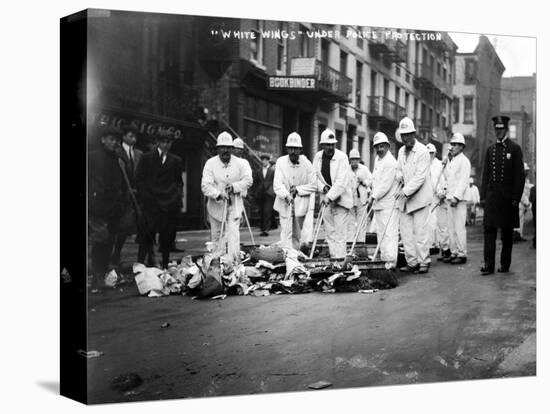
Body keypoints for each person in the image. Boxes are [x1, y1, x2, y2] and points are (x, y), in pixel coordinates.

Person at [480, 116, 525, 275]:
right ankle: (488, 264)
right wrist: (483, 197)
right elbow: (485, 175)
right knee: (489, 230)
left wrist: (515, 198)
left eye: (501, 129)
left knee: (506, 234)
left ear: (506, 129)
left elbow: (519, 176)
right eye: (496, 129)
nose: (498, 132)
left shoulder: (515, 149)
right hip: (492, 198)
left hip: (507, 200)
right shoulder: (490, 150)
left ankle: (505, 264)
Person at [201, 132, 253, 261]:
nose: (225, 150)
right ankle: (217, 266)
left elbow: (248, 180)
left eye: (228, 147)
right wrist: (218, 194)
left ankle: (234, 264)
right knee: (217, 238)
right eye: (222, 147)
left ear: (232, 148)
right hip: (216, 207)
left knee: (233, 236)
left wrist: (234, 187)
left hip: (234, 205)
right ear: (217, 148)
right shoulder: (210, 163)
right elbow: (205, 185)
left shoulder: (241, 163)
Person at [135, 134, 183, 269]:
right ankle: (139, 266)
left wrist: (176, 198)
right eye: (163, 141)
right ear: (157, 142)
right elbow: (139, 179)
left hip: (168, 204)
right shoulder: (147, 158)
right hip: (151, 203)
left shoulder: (176, 160)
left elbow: (178, 182)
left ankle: (165, 265)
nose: (166, 145)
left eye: (168, 142)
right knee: (146, 235)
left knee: (166, 237)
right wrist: (146, 197)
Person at [88, 125, 126, 288]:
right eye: (111, 139)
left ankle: (102, 273)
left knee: (110, 240)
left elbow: (124, 181)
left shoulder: (118, 159)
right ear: (103, 139)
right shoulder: (92, 157)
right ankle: (96, 274)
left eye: (117, 140)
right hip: (98, 206)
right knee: (100, 239)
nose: (114, 143)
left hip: (114, 208)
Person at [395, 117, 433, 274]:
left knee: (420, 233)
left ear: (414, 134)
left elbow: (420, 177)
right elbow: (398, 169)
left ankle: (424, 261)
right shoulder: (401, 151)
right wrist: (399, 176)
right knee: (406, 233)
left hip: (420, 199)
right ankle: (412, 262)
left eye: (408, 134)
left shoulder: (423, 151)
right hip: (406, 200)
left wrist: (404, 191)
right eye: (403, 135)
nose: (405, 138)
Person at [312, 129, 353, 258]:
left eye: (332, 144)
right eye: (327, 145)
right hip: (326, 199)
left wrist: (329, 196)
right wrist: (323, 188)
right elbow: (314, 177)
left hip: (341, 200)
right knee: (330, 231)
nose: (330, 147)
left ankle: (340, 260)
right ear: (322, 145)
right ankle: (333, 258)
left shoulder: (342, 157)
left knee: (340, 233)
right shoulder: (318, 157)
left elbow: (342, 181)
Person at [273, 132, 316, 249]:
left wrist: (298, 189)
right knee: (286, 233)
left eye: (296, 149)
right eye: (290, 148)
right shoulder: (281, 162)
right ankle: (286, 256)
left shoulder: (306, 163)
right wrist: (286, 195)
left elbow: (314, 185)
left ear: (300, 149)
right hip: (284, 203)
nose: (293, 151)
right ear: (287, 148)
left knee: (297, 235)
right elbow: (277, 184)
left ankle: (295, 258)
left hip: (301, 205)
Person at [110, 124, 143, 267]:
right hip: (120, 195)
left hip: (134, 196)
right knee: (118, 229)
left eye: (135, 136)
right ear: (123, 137)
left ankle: (117, 256)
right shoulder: (116, 152)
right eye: (130, 136)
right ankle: (113, 257)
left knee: (128, 229)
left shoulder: (139, 154)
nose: (133, 139)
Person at [368, 132, 400, 268]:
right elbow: (375, 180)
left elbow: (385, 185)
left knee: (389, 233)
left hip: (388, 203)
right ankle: (384, 259)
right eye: (377, 147)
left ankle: (391, 261)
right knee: (381, 233)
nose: (379, 149)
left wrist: (373, 196)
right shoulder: (378, 159)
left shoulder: (390, 162)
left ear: (387, 146)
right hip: (379, 204)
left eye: (382, 146)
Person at [439, 133, 471, 264]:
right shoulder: (451, 161)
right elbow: (448, 179)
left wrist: (456, 197)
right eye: (452, 144)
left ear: (462, 147)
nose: (454, 147)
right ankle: (453, 252)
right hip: (450, 198)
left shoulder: (464, 161)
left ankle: (462, 253)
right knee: (450, 228)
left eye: (457, 144)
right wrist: (445, 162)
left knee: (459, 228)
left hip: (459, 199)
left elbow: (463, 181)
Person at [426, 143, 449, 257]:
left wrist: (442, 192)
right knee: (430, 224)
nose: (429, 155)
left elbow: (444, 181)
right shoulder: (424, 165)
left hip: (439, 198)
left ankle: (445, 248)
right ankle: (433, 246)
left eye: (431, 153)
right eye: (428, 153)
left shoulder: (439, 165)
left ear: (435, 153)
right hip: (428, 199)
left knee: (441, 225)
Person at [347, 148, 372, 243]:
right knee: (350, 221)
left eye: (356, 159)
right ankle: (350, 241)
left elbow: (371, 181)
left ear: (359, 160)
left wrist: (363, 182)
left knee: (362, 221)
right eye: (352, 159)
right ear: (350, 160)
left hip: (361, 199)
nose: (354, 161)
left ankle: (361, 241)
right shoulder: (346, 169)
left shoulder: (364, 169)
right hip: (350, 199)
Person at [253, 154, 275, 236]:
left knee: (267, 211)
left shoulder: (272, 171)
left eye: (266, 160)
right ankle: (263, 229)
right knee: (262, 211)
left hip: (269, 193)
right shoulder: (259, 171)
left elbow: (274, 181)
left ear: (268, 161)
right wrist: (255, 192)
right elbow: (256, 182)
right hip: (260, 194)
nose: (264, 162)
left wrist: (273, 191)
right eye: (263, 160)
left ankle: (266, 229)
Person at [515, 162, 533, 241]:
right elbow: (521, 193)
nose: (527, 172)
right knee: (518, 221)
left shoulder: (525, 180)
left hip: (522, 205)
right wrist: (527, 203)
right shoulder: (519, 179)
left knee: (520, 221)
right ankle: (516, 236)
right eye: (526, 170)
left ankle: (519, 236)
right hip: (520, 204)